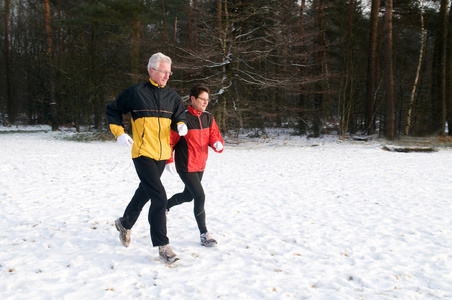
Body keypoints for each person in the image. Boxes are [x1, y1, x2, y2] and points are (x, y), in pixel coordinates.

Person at [106, 52, 187, 264]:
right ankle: (163, 246)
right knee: (159, 196)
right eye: (164, 72)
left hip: (161, 154)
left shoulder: (172, 96)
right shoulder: (136, 93)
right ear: (152, 70)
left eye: (170, 72)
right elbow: (112, 110)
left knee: (145, 192)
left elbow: (180, 114)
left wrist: (180, 123)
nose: (167, 76)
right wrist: (120, 133)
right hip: (142, 153)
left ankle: (125, 223)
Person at [165, 83, 224, 247]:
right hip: (185, 164)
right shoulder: (181, 119)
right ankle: (204, 233)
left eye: (207, 99)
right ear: (192, 99)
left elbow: (214, 135)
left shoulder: (208, 117)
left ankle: (166, 205)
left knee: (189, 195)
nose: (206, 102)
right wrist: (169, 160)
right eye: (202, 99)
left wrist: (217, 144)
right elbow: (170, 141)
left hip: (200, 164)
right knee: (200, 196)